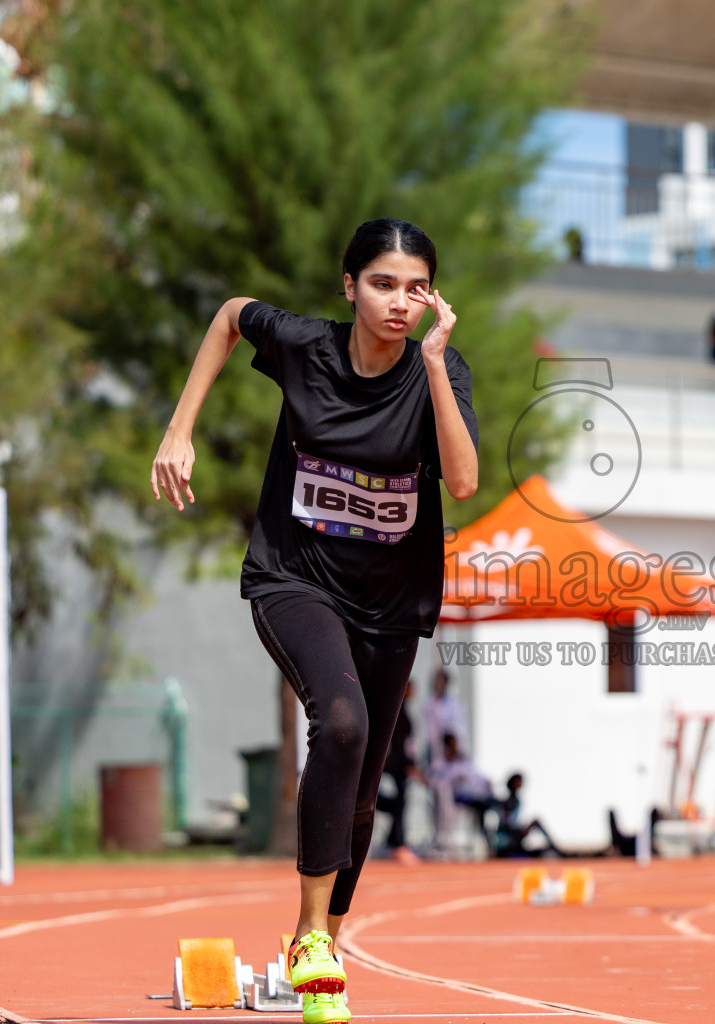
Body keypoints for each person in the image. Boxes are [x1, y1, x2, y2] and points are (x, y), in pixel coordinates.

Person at [150, 218, 478, 1024]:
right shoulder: (307, 347)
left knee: (364, 789)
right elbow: (232, 312)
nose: (400, 303)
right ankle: (309, 936)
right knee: (338, 725)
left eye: (415, 287)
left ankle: (321, 943)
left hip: (391, 602)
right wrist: (178, 427)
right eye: (381, 283)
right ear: (349, 287)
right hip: (295, 579)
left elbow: (464, 480)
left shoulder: (442, 368)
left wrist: (433, 365)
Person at [375, 679, 421, 865]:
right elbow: (399, 744)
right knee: (397, 804)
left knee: (400, 804)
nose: (411, 693)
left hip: (400, 766)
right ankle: (397, 843)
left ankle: (394, 841)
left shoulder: (403, 712)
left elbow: (409, 743)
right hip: (395, 767)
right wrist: (404, 764)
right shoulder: (395, 712)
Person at [429, 731, 498, 849]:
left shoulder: (464, 760)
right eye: (451, 744)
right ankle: (484, 836)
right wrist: (455, 776)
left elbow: (477, 775)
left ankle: (494, 837)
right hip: (457, 797)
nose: (454, 747)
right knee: (481, 805)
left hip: (473, 793)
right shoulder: (441, 763)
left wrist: (487, 782)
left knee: (493, 803)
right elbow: (437, 780)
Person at [491, 773, 565, 858]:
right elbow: (506, 825)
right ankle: (557, 850)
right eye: (519, 781)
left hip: (514, 835)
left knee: (538, 850)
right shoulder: (508, 802)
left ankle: (555, 849)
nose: (522, 784)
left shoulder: (516, 801)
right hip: (509, 837)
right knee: (536, 822)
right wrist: (520, 831)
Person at [422, 668, 468, 771]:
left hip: (451, 754)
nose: (438, 685)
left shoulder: (455, 705)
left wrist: (455, 748)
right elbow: (429, 733)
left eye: (441, 682)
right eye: (436, 681)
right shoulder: (427, 705)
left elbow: (459, 729)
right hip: (435, 753)